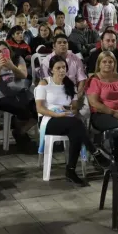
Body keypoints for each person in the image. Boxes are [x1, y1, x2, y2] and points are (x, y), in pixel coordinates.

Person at [36, 57, 101, 185]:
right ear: (51, 70)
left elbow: (75, 107)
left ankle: (71, 170)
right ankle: (94, 151)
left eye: (64, 68)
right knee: (77, 125)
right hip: (49, 119)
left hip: (67, 119)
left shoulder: (70, 85)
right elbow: (40, 108)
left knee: (76, 132)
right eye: (58, 68)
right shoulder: (44, 83)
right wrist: (56, 114)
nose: (61, 70)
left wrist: (70, 110)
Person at [0, 41, 37, 144]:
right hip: (3, 98)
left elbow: (23, 75)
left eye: (4, 50)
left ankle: (20, 131)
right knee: (23, 109)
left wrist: (12, 66)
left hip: (21, 93)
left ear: (9, 50)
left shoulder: (18, 59)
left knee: (38, 109)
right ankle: (21, 134)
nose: (2, 53)